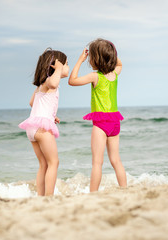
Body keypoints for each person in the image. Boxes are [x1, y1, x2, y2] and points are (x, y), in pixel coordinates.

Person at [68, 38, 127, 192]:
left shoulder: (95, 76)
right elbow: (119, 63)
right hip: (115, 122)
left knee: (97, 163)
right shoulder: (115, 74)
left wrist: (80, 60)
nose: (90, 60)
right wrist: (111, 55)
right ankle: (125, 189)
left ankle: (93, 193)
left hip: (101, 123)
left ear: (96, 59)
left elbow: (72, 81)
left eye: (92, 57)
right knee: (116, 160)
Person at [19, 48, 69, 196]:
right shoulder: (49, 81)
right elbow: (53, 84)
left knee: (43, 164)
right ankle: (49, 197)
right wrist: (58, 70)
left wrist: (51, 115)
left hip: (32, 126)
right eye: (66, 64)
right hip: (42, 127)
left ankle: (40, 197)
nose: (66, 68)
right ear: (55, 66)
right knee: (54, 163)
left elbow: (32, 103)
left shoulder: (41, 85)